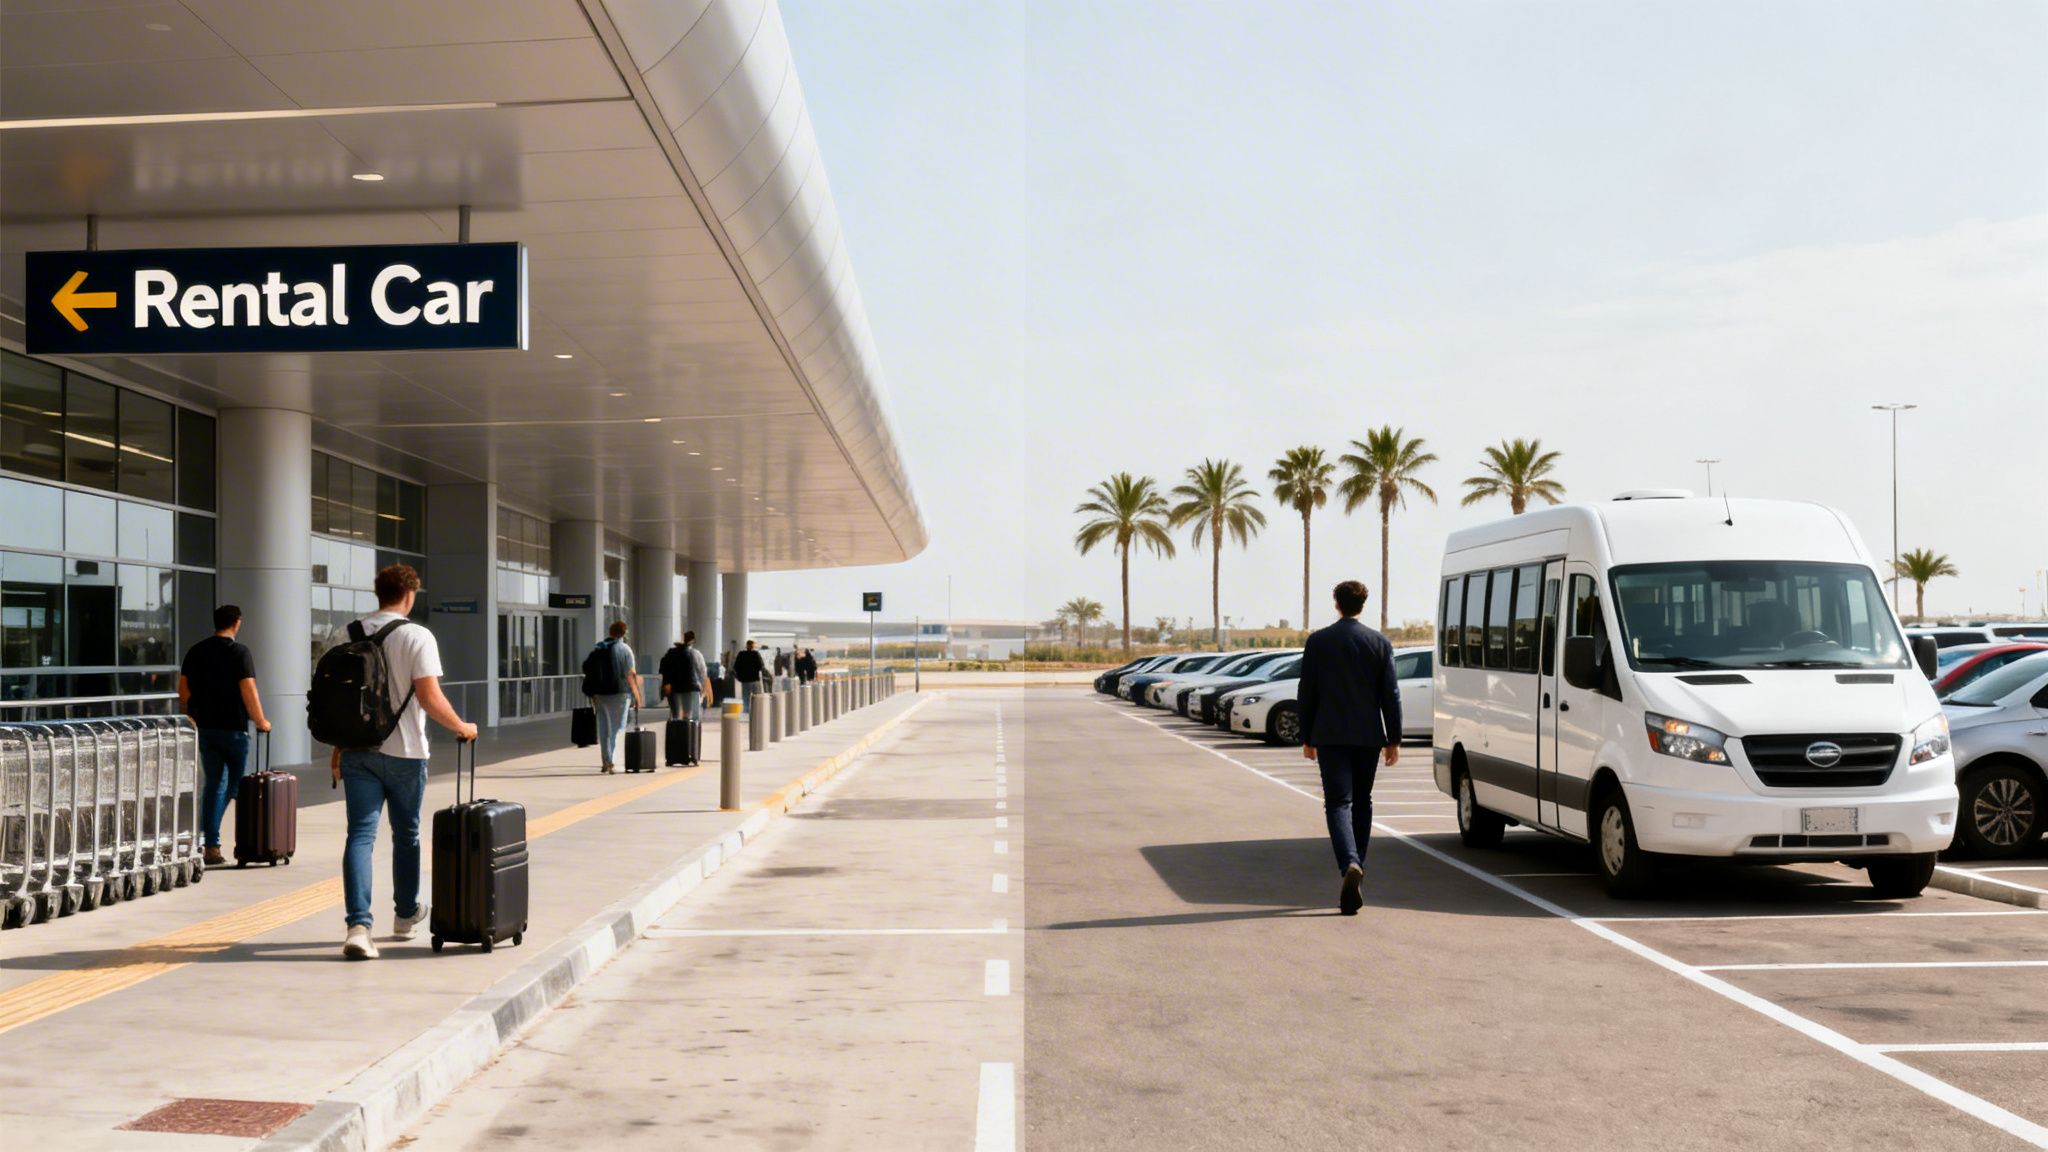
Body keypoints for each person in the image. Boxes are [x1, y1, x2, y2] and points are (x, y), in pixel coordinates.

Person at [332, 564, 476, 960]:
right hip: (406, 754)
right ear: (410, 596)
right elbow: (430, 697)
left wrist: (338, 747)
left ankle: (358, 927)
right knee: (406, 835)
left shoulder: (346, 633)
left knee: (360, 835)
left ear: (378, 593)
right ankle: (405, 914)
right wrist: (462, 725)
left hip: (358, 752)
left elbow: (338, 702)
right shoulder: (416, 636)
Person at [1297, 579, 1402, 917]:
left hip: (1329, 735)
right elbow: (1391, 694)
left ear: (1336, 603)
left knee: (1338, 803)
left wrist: (1307, 736)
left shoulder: (1319, 642)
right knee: (1363, 801)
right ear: (1363, 604)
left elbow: (1307, 691)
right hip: (1368, 736)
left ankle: (1349, 865)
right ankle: (1358, 866)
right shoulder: (1379, 643)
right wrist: (1393, 739)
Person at [177, 604, 272, 867]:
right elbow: (248, 689)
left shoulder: (196, 651)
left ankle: (211, 845)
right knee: (235, 785)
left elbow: (183, 691)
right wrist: (261, 720)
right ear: (237, 622)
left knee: (214, 784)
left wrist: (192, 714)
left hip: (206, 729)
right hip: (234, 730)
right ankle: (212, 839)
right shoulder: (239, 652)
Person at [586, 621, 643, 773]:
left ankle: (606, 760)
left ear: (610, 632)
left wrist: (593, 693)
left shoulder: (598, 648)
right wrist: (637, 694)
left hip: (600, 695)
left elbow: (590, 671)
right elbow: (630, 674)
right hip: (620, 694)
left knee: (604, 729)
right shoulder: (625, 649)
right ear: (624, 633)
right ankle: (613, 762)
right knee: (617, 729)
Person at [659, 629, 712, 723]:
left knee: (676, 716)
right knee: (691, 719)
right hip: (692, 688)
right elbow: (703, 672)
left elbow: (664, 670)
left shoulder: (670, 654)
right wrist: (703, 689)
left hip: (675, 688)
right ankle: (691, 735)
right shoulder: (695, 654)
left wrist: (666, 684)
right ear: (692, 641)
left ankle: (678, 734)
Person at [730, 639, 767, 710]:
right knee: (756, 697)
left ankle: (746, 711)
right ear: (753, 646)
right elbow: (761, 666)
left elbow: (736, 667)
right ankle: (757, 710)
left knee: (746, 697)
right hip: (755, 679)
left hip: (745, 680)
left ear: (746, 646)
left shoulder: (741, 654)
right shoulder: (756, 654)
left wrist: (739, 676)